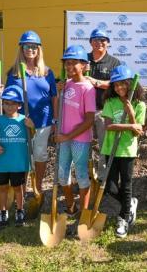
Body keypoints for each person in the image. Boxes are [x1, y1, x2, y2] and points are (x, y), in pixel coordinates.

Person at [5, 31, 58, 198]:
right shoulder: (13, 73)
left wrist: (55, 120)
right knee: (24, 155)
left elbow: (54, 97)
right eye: (27, 46)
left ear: (39, 49)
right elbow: (8, 97)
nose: (30, 49)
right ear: (21, 48)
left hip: (43, 121)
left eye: (34, 46)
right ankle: (23, 188)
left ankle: (38, 187)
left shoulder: (47, 72)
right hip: (21, 121)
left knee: (40, 154)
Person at [102, 65, 146, 237]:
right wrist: (130, 124)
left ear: (129, 84)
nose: (119, 88)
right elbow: (108, 126)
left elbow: (138, 131)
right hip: (110, 149)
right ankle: (129, 205)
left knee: (126, 185)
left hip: (127, 150)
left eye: (123, 84)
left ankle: (124, 218)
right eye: (116, 85)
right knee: (111, 186)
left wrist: (131, 113)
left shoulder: (139, 104)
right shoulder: (110, 103)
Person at [55, 45, 96, 216]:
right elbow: (58, 112)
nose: (69, 67)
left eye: (74, 63)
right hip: (64, 137)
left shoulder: (88, 88)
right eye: (67, 63)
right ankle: (71, 206)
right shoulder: (66, 85)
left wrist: (67, 136)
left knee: (80, 174)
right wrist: (58, 93)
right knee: (62, 174)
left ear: (84, 65)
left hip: (80, 139)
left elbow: (89, 120)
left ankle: (84, 211)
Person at [0, 85, 34, 228]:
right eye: (6, 103)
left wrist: (32, 127)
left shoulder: (24, 120)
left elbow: (31, 137)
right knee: (2, 187)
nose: (9, 107)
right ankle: (3, 211)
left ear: (19, 106)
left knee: (18, 188)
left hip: (19, 162)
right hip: (3, 163)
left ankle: (20, 209)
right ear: (2, 104)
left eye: (13, 104)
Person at [83, 29, 121, 180]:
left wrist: (96, 82)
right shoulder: (83, 59)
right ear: (90, 42)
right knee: (84, 145)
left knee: (105, 145)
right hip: (84, 111)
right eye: (95, 39)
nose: (99, 42)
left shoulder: (114, 62)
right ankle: (86, 175)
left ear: (108, 43)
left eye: (103, 40)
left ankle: (102, 178)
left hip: (104, 110)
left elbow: (117, 84)